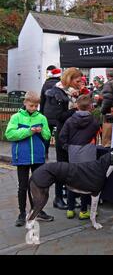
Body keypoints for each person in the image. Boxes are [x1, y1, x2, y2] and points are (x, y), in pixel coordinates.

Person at [5, 91, 54, 227]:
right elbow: (9, 134)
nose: (33, 108)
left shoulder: (42, 118)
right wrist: (29, 131)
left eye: (36, 106)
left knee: (38, 186)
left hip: (38, 157)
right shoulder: (16, 117)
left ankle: (38, 211)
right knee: (23, 186)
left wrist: (41, 130)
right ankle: (21, 214)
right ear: (25, 103)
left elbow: (47, 136)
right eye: (31, 105)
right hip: (22, 157)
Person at [43, 67, 84, 210]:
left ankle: (70, 196)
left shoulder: (72, 93)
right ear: (69, 79)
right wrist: (75, 110)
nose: (80, 83)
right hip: (63, 135)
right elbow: (57, 117)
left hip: (74, 134)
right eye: (77, 81)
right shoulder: (56, 93)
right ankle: (58, 198)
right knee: (62, 167)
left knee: (72, 167)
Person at [59, 95, 101, 220]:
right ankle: (84, 210)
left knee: (72, 180)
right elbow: (95, 132)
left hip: (73, 152)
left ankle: (70, 209)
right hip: (88, 152)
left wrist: (69, 147)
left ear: (77, 106)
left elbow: (62, 137)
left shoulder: (70, 120)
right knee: (85, 181)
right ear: (90, 107)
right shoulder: (94, 121)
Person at [40, 66, 62, 159]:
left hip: (47, 113)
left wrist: (41, 112)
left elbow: (42, 100)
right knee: (58, 136)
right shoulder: (61, 84)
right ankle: (59, 155)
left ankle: (45, 153)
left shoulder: (45, 84)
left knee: (46, 135)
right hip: (59, 114)